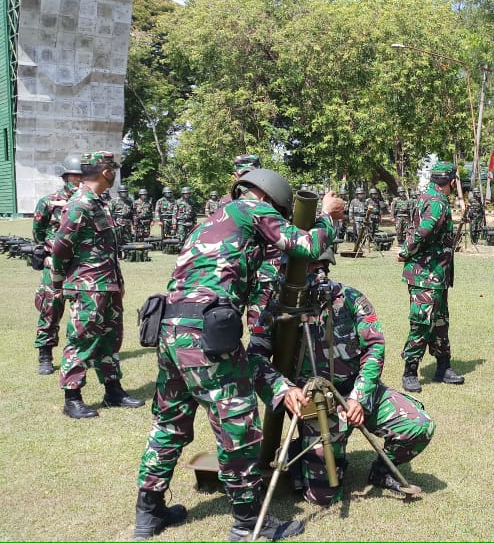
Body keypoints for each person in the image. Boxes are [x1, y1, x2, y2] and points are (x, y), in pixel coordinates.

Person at [134, 168, 345, 541]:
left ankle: (148, 514)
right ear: (269, 199)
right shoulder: (251, 208)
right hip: (206, 335)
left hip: (171, 329)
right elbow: (308, 246)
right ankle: (250, 524)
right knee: (237, 428)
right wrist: (328, 214)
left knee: (169, 423)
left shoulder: (213, 220)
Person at [251, 250, 435, 504]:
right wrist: (284, 390)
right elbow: (255, 357)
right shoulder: (276, 308)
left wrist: (360, 396)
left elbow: (374, 347)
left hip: (357, 391)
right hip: (314, 404)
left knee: (418, 426)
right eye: (289, 269)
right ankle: (299, 452)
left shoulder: (350, 299)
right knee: (324, 497)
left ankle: (381, 471)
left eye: (314, 267)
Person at [51, 151, 143, 418]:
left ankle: (113, 390)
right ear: (106, 172)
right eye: (113, 168)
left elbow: (107, 248)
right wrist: (59, 282)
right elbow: (60, 247)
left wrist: (118, 281)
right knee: (81, 339)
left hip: (107, 285)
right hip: (88, 287)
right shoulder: (79, 203)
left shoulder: (99, 202)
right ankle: (72, 398)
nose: (114, 173)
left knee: (109, 340)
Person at [398, 161, 465, 392]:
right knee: (421, 323)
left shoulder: (427, 196)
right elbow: (424, 230)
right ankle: (410, 371)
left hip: (436, 275)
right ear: (452, 182)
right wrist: (405, 250)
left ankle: (443, 367)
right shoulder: (437, 201)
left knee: (440, 322)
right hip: (426, 275)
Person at [31, 155, 83, 375]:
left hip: (81, 265)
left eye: (83, 176)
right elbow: (38, 230)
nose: (79, 180)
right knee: (51, 307)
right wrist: (45, 251)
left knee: (84, 311)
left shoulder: (87, 201)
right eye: (75, 175)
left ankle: (80, 354)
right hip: (55, 264)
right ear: (66, 176)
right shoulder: (49, 201)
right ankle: (45, 353)